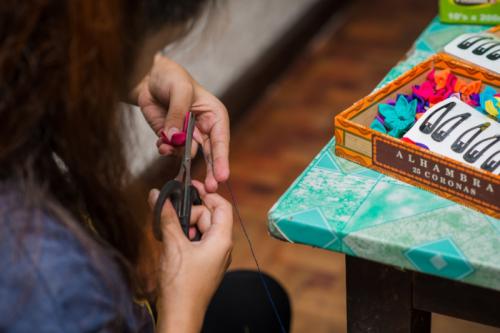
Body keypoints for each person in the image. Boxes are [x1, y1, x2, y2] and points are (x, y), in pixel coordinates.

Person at [0, 1, 290, 332]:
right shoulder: (51, 288)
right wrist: (182, 305)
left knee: (254, 300)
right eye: (155, 49)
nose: (153, 65)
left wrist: (135, 73)